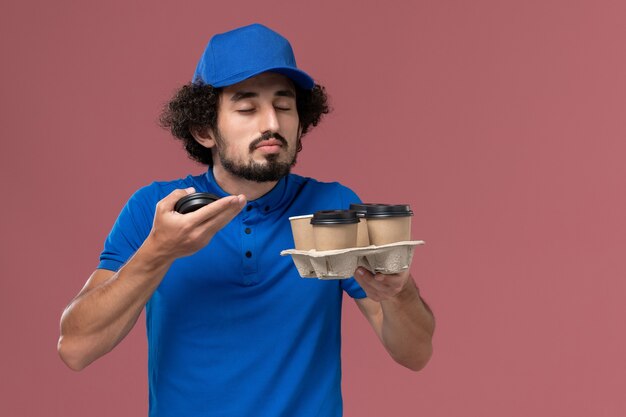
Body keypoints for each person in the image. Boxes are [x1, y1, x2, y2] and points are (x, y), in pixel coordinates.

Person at [58, 23, 434, 417]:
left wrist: (398, 292)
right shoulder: (154, 209)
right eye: (247, 107)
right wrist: (158, 252)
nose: (271, 123)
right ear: (204, 129)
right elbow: (75, 348)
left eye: (284, 106)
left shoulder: (333, 208)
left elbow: (416, 354)